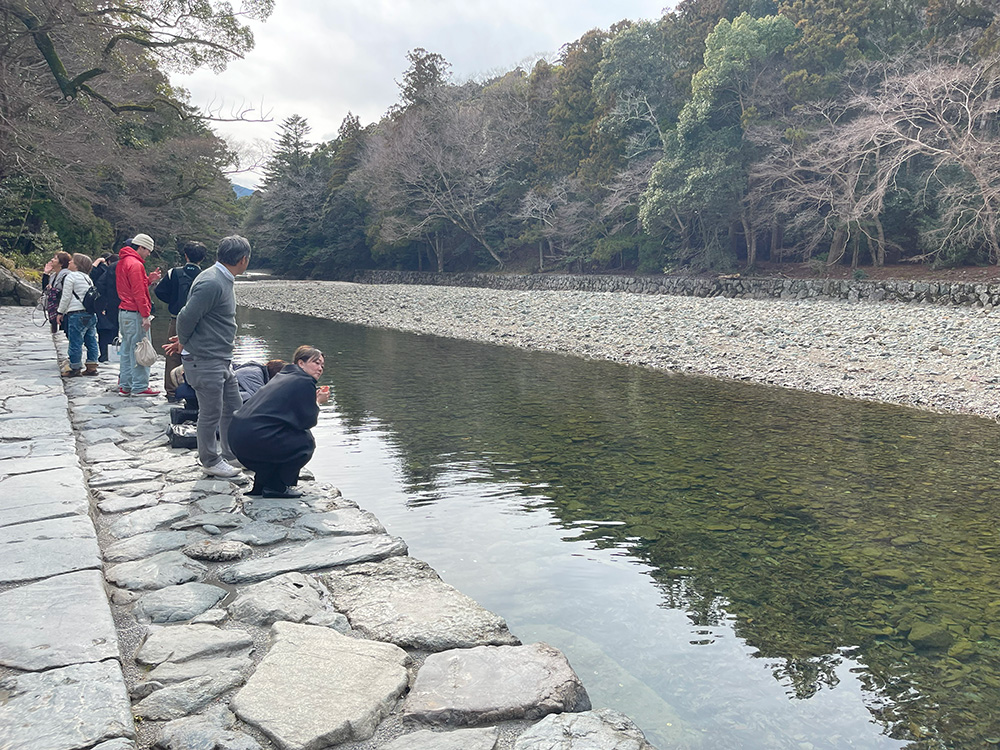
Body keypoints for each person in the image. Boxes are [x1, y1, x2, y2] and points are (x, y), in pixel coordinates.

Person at [165, 235, 251, 479]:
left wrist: (185, 341)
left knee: (233, 407)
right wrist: (184, 343)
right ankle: (210, 461)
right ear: (243, 260)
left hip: (220, 357)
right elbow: (185, 317)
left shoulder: (222, 278)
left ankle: (231, 454)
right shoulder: (212, 282)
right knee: (210, 412)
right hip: (205, 358)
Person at [228, 346, 330, 498]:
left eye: (322, 365)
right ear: (300, 363)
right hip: (253, 440)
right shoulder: (304, 381)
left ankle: (261, 485)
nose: (320, 368)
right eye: (316, 363)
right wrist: (317, 402)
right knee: (305, 441)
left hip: (238, 438)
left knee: (280, 433)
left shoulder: (283, 376)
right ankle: (277, 487)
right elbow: (307, 421)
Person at [155, 241, 206, 401]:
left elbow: (159, 291)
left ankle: (171, 392)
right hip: (200, 322)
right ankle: (195, 391)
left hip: (176, 318)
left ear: (185, 255)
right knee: (198, 355)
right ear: (202, 258)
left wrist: (172, 302)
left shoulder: (173, 273)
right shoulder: (206, 275)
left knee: (172, 354)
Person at [116, 233, 161, 396]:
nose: (149, 253)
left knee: (127, 350)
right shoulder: (136, 265)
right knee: (141, 348)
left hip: (124, 312)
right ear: (140, 247)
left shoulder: (123, 262)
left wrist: (149, 280)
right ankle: (140, 386)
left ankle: (125, 385)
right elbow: (139, 293)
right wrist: (145, 315)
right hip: (135, 313)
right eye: (148, 250)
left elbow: (131, 287)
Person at [55, 253, 100, 377]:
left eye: (72, 261)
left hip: (76, 314)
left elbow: (66, 297)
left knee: (75, 341)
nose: (69, 262)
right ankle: (92, 366)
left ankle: (74, 367)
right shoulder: (87, 278)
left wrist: (60, 312)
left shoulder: (71, 277)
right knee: (91, 340)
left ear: (77, 265)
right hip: (90, 314)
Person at [92, 251, 120, 362]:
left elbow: (97, 283)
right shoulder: (109, 271)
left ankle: (106, 355)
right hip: (114, 305)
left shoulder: (104, 271)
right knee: (112, 330)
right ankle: (111, 354)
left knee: (105, 331)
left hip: (105, 304)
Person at [42, 252, 72, 335]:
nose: (52, 260)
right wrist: (46, 274)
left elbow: (67, 293)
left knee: (68, 333)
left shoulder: (67, 275)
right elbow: (45, 290)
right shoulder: (53, 276)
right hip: (56, 308)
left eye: (55, 258)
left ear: (61, 263)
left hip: (66, 310)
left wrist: (53, 291)